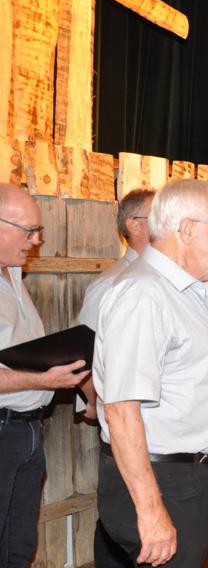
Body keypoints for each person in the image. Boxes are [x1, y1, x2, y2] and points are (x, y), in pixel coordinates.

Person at [94, 179, 208, 566]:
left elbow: (200, 372)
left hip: (184, 476)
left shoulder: (184, 291)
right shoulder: (144, 294)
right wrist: (151, 510)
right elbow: (121, 410)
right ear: (186, 229)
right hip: (158, 479)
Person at [0, 184, 89, 566]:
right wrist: (42, 380)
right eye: (29, 230)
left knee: (17, 547)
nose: (37, 241)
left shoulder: (13, 276)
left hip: (27, 431)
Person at [77, 187, 153, 568]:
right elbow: (86, 355)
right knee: (120, 520)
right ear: (133, 226)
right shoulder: (112, 284)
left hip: (157, 427)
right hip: (124, 422)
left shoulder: (159, 280)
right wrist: (95, 403)